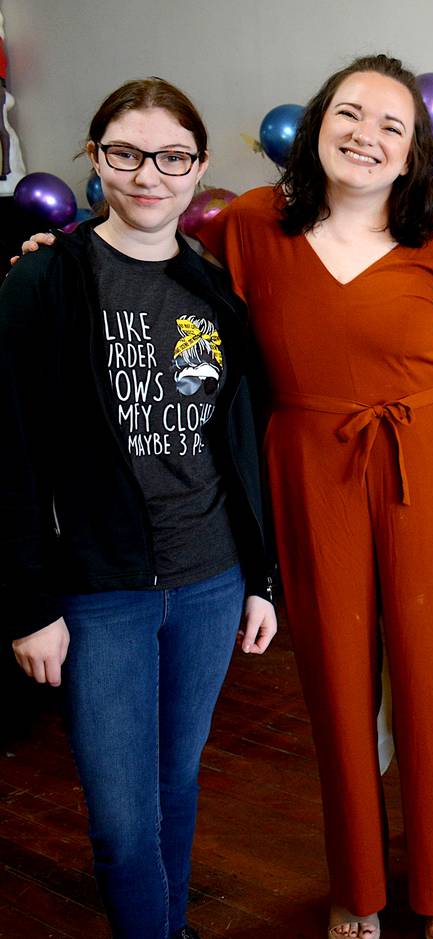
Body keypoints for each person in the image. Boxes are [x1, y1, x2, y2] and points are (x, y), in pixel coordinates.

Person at [190, 55, 433, 939]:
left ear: (413, 154)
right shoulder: (252, 224)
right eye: (350, 113)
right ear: (317, 124)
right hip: (308, 464)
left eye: (391, 125)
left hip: (422, 465)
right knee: (334, 686)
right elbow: (158, 282)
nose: (366, 134)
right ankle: (355, 885)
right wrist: (59, 256)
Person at [1, 78, 277, 939]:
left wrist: (260, 578)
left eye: (171, 157)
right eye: (125, 153)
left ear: (197, 170)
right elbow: (5, 449)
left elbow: (240, 444)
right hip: (97, 590)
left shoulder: (216, 293)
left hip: (209, 580)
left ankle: (165, 927)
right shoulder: (44, 279)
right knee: (122, 813)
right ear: (96, 158)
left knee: (176, 783)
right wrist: (28, 605)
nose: (148, 174)